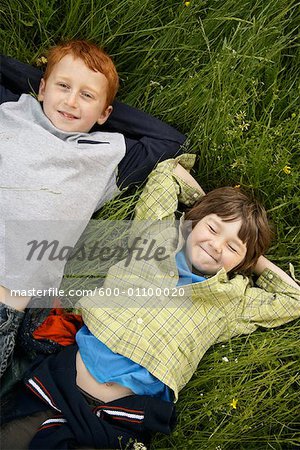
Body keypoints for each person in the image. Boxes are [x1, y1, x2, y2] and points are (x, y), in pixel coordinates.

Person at [1, 154, 299, 449]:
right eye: (212, 228)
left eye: (233, 247)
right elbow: (168, 173)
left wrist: (254, 261)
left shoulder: (231, 302)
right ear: (193, 221)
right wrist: (211, 207)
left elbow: (293, 299)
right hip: (59, 386)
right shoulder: (154, 239)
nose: (216, 245)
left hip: (119, 418)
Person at [0, 40, 186, 378]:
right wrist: (41, 81)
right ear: (42, 87)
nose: (71, 101)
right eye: (63, 86)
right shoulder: (11, 109)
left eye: (86, 96)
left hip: (6, 306)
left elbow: (170, 141)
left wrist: (98, 105)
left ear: (105, 114)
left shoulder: (109, 154)